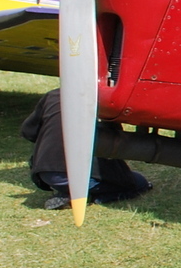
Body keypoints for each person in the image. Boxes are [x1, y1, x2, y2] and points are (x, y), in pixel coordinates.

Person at [19, 89, 150, 209]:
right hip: (75, 177)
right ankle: (88, 196)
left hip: (44, 174)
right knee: (139, 183)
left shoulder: (54, 95)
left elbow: (28, 131)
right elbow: (115, 143)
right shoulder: (103, 100)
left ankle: (70, 191)